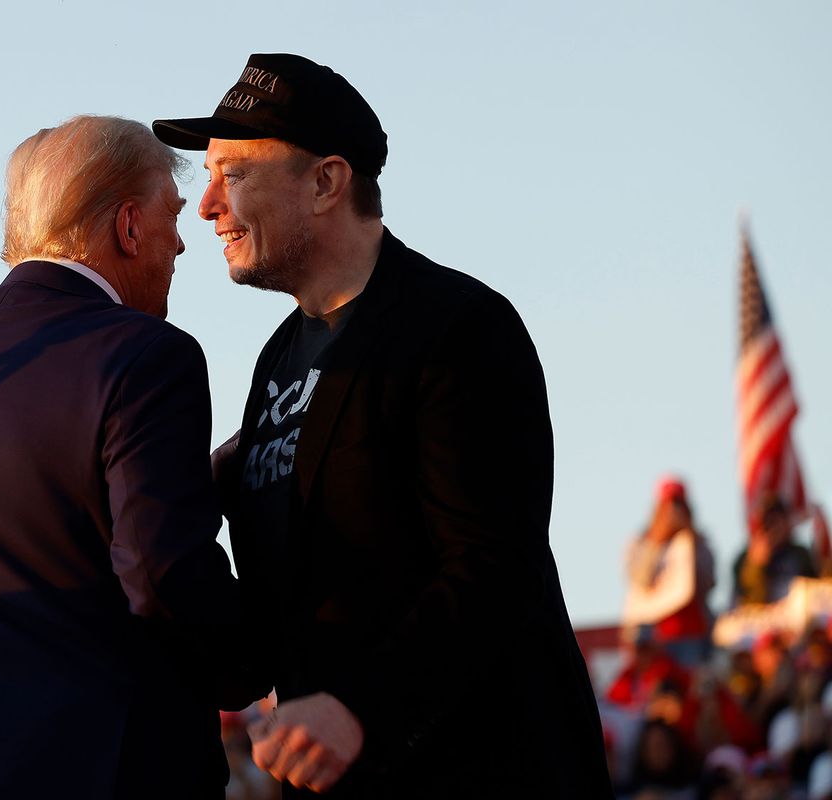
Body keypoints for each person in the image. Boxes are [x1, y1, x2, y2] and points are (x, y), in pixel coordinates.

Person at [154, 53, 611, 797]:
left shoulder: (459, 327)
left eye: (232, 174)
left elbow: (494, 567)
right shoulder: (277, 361)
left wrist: (361, 710)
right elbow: (273, 619)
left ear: (327, 181)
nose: (205, 205)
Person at [0, 115, 257, 799]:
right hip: (91, 768)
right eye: (171, 215)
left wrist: (189, 486)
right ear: (128, 225)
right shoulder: (148, 355)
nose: (181, 243)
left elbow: (19, 528)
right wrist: (254, 666)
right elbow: (160, 573)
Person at [623, 476, 717, 665]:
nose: (673, 512)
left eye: (678, 504)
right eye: (668, 505)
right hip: (651, 632)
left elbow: (709, 584)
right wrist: (658, 540)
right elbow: (639, 579)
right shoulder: (640, 542)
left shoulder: (698, 543)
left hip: (688, 631)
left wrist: (690, 543)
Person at [731, 494, 816, 607]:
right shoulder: (743, 561)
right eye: (764, 522)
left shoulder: (801, 556)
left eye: (774, 521)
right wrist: (756, 568)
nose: (770, 528)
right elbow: (747, 603)